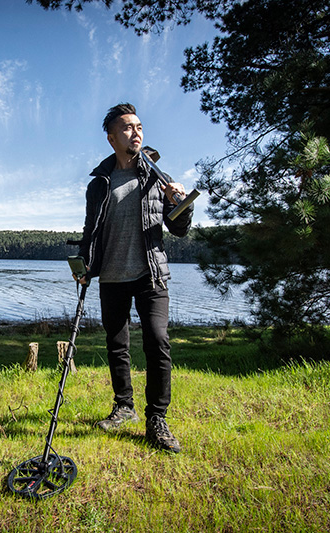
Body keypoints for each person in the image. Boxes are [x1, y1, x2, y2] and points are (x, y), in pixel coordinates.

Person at [74, 102, 193, 453]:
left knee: (157, 341)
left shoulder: (157, 177)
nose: (136, 132)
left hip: (149, 274)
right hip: (111, 276)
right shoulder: (100, 183)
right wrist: (85, 266)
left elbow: (180, 228)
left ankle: (157, 419)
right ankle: (123, 406)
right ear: (112, 138)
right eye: (127, 127)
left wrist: (180, 203)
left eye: (139, 126)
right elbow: (90, 231)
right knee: (117, 344)